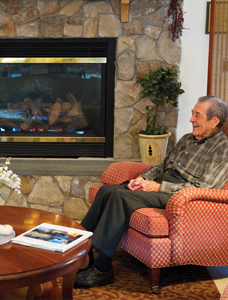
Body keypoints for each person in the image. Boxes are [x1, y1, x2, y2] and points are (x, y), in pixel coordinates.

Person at [74, 95, 228, 289]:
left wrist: (159, 187)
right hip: (161, 183)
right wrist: (144, 178)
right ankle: (80, 253)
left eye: (197, 115)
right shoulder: (187, 139)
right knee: (106, 191)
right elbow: (162, 166)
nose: (191, 119)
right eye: (192, 114)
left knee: (120, 197)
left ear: (214, 121)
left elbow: (205, 188)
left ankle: (102, 269)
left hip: (180, 196)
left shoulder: (223, 148)